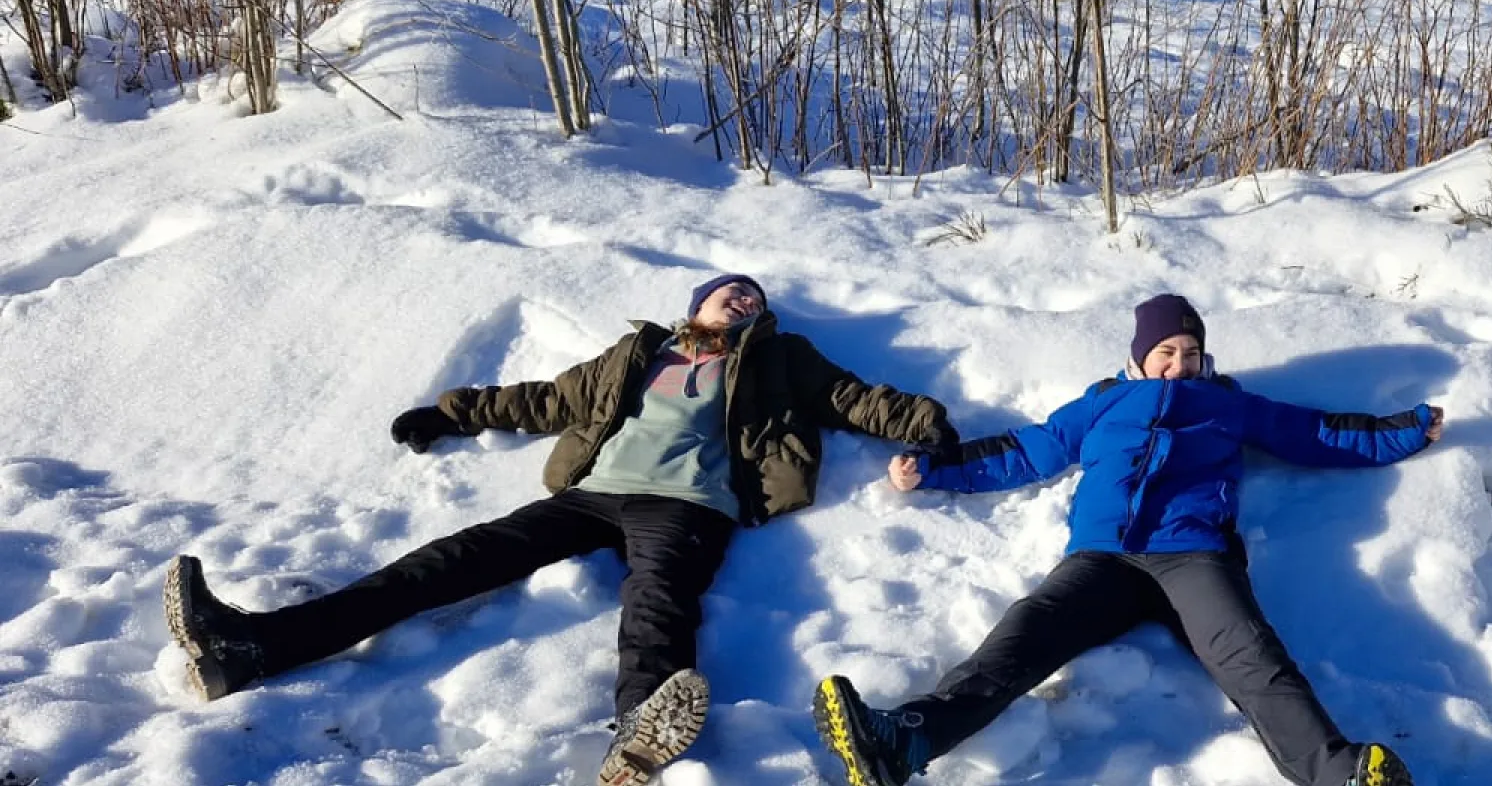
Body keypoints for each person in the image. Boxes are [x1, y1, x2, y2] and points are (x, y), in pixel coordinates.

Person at [162, 274, 956, 786]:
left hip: (688, 505)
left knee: (659, 602)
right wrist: (451, 413)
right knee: (442, 564)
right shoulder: (639, 352)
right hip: (590, 496)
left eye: (753, 299)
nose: (743, 303)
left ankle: (640, 732)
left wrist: (926, 426)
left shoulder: (783, 358)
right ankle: (252, 647)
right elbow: (548, 400)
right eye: (730, 293)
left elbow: (857, 400)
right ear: (698, 303)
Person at [811, 294, 1443, 786]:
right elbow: (1026, 451)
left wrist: (1407, 430)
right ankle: (904, 740)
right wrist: (932, 468)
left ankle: (1339, 775)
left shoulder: (1228, 404)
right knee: (1024, 633)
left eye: (1190, 352)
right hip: (1104, 561)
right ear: (1140, 355)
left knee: (1253, 658)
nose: (1179, 363)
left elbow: (1318, 433)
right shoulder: (1102, 405)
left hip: (1195, 558)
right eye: (1166, 350)